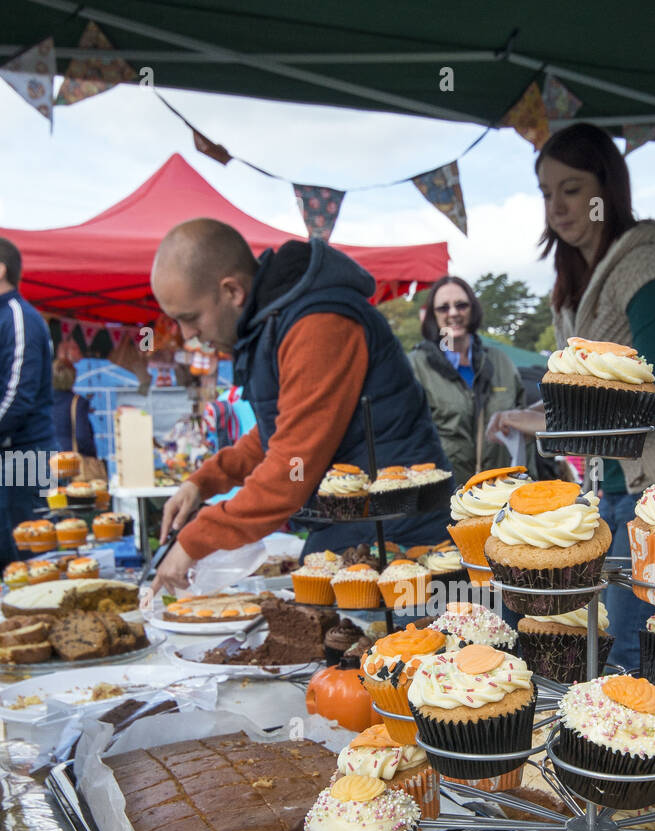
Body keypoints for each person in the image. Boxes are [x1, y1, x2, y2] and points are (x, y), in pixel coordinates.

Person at [492, 124, 655, 669]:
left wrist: (550, 417)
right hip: (618, 485)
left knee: (654, 648)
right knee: (618, 642)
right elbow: (586, 390)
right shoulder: (578, 277)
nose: (556, 206)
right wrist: (526, 413)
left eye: (571, 188)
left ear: (608, 189)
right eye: (547, 193)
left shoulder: (647, 265)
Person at [149, 220, 451, 591]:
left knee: (401, 647)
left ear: (232, 291)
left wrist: (193, 541)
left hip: (398, 540)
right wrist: (203, 482)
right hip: (356, 529)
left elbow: (290, 469)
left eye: (189, 317)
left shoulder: (318, 323)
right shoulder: (276, 321)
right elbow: (277, 429)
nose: (186, 334)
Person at [407, 275, 527, 485]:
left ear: (473, 309)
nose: (453, 313)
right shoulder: (416, 366)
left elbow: (525, 436)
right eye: (443, 308)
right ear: (433, 316)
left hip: (500, 495)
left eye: (461, 305)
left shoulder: (501, 362)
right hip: (443, 499)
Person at [0, 237, 54, 569]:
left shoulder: (19, 316)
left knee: (33, 555)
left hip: (28, 453)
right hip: (10, 451)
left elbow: (19, 394)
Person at [51, 357, 98, 460]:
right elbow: (82, 437)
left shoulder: (43, 401)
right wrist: (92, 455)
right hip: (70, 463)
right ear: (73, 377)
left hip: (46, 460)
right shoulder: (78, 402)